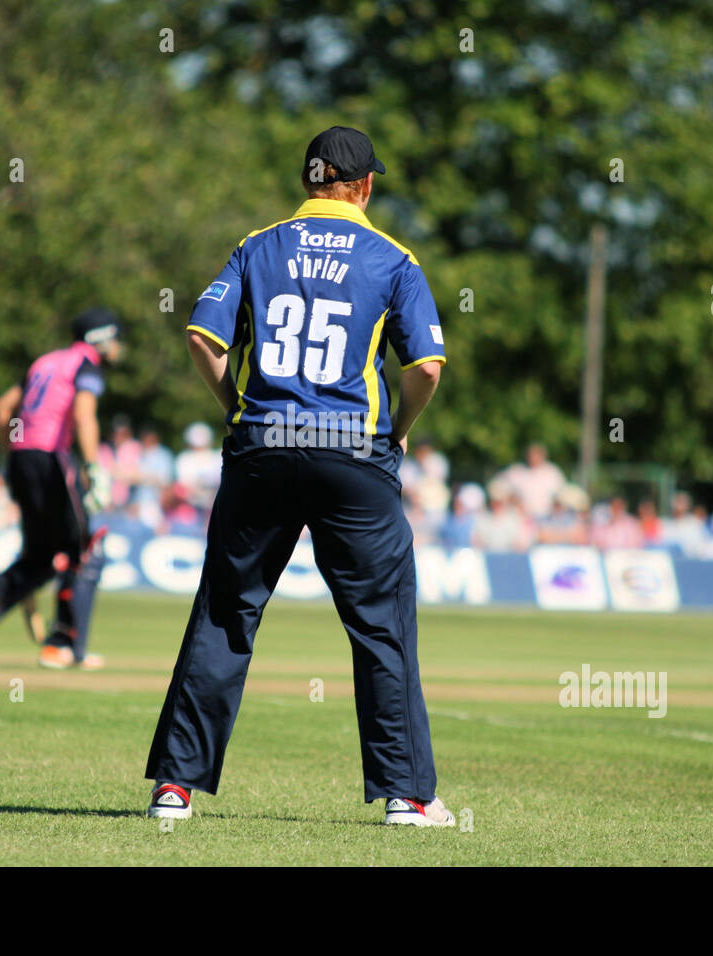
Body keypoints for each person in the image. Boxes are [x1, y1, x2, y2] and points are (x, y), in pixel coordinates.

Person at [145, 126, 455, 827]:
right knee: (381, 626)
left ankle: (176, 787)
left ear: (309, 181)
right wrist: (397, 435)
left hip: (263, 446)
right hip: (352, 455)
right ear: (366, 185)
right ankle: (405, 796)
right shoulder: (394, 258)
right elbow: (427, 367)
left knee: (227, 611)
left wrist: (237, 411)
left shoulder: (259, 244)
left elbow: (202, 335)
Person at [0, 308, 122, 670]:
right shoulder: (86, 364)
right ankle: (62, 645)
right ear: (100, 338)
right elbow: (84, 414)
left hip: (22, 457)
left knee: (42, 555)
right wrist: (93, 467)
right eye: (114, 337)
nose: (118, 346)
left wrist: (13, 448)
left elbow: (2, 408)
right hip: (51, 459)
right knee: (85, 548)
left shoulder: (44, 362)